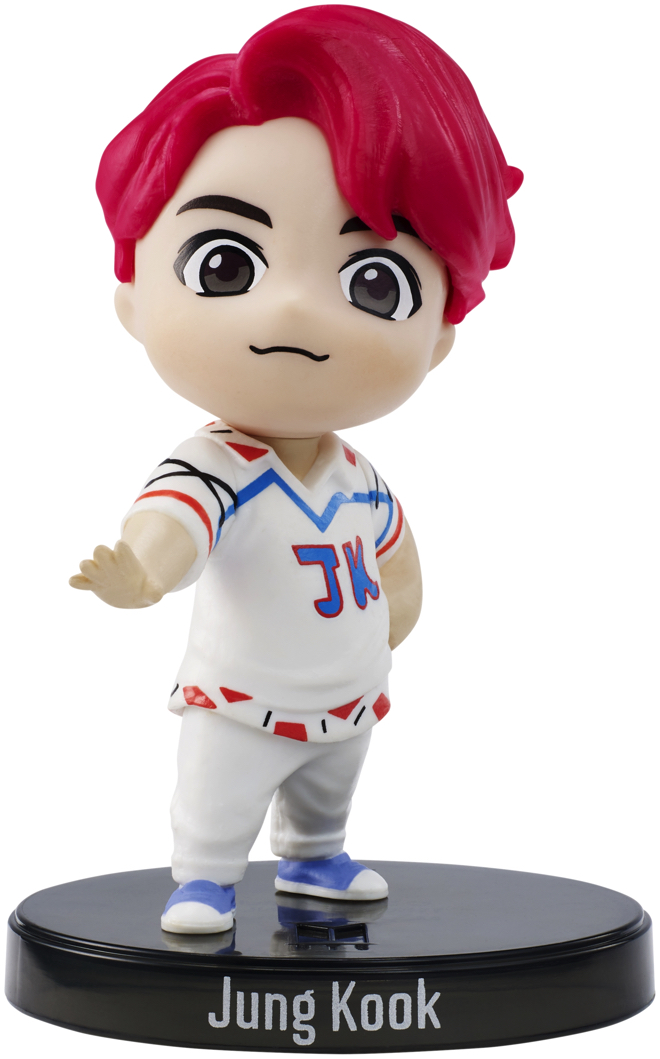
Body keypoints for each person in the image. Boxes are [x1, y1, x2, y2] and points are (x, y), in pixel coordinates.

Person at [70, 5, 522, 934]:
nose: (295, 311)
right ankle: (204, 878)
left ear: (438, 337)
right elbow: (173, 524)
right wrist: (141, 571)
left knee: (328, 790)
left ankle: (315, 859)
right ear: (133, 298)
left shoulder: (358, 475)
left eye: (373, 281)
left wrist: (393, 620)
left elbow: (396, 558)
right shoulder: (218, 463)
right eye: (227, 264)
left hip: (345, 692)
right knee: (220, 792)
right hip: (243, 695)